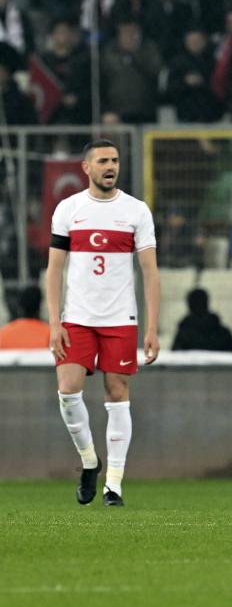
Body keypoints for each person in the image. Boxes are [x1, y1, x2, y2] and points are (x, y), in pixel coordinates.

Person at [46, 139, 161, 507]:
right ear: (86, 167)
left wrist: (152, 327)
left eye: (115, 161)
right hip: (76, 318)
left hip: (120, 318)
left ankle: (114, 484)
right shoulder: (68, 209)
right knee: (68, 390)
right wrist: (54, 322)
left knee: (117, 393)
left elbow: (150, 271)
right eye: (103, 161)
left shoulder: (136, 211)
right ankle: (89, 461)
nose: (110, 167)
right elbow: (54, 269)